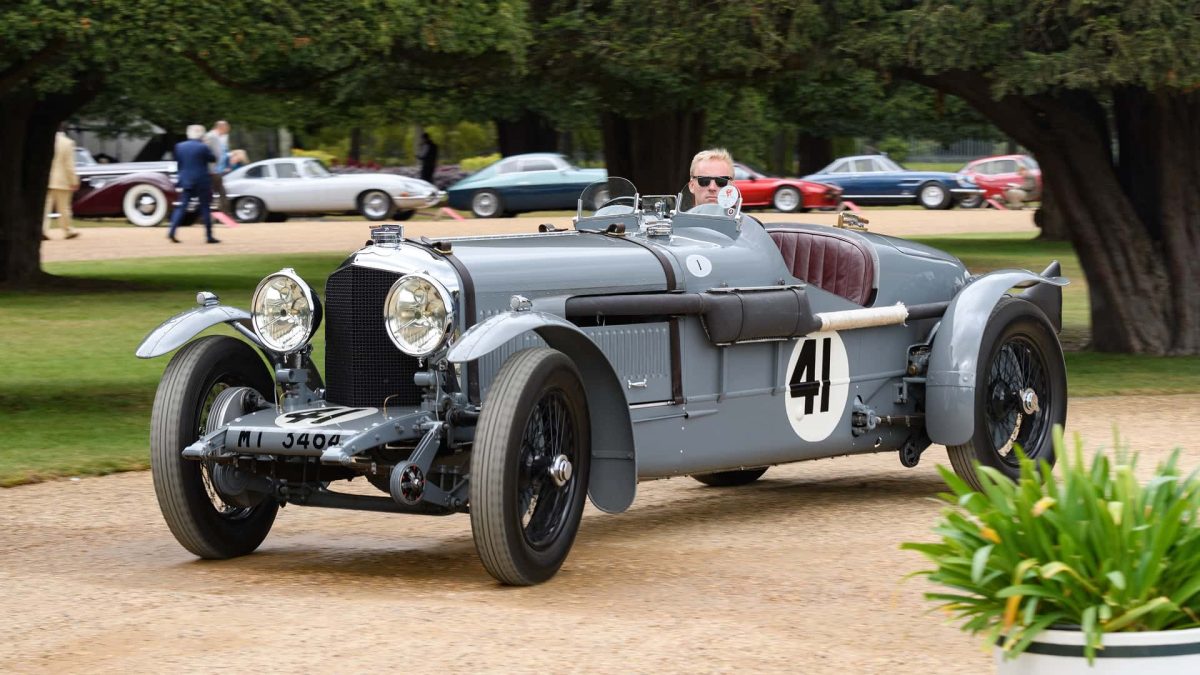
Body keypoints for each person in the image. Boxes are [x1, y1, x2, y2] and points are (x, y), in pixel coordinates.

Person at [167, 124, 218, 244]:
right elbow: (212, 159)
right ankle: (209, 236)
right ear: (201, 135)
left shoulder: (179, 146)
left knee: (182, 206)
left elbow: (179, 162)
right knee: (205, 207)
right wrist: (206, 145)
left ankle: (172, 231)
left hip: (186, 179)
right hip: (201, 180)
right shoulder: (203, 147)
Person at [43, 124, 81, 240]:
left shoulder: (44, 141)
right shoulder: (67, 143)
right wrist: (74, 180)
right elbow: (69, 165)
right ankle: (68, 230)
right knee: (64, 208)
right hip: (62, 180)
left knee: (44, 207)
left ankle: (41, 230)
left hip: (46, 179)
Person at [203, 120, 231, 213]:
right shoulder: (212, 136)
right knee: (219, 193)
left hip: (216, 170)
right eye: (226, 128)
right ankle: (224, 213)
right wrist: (213, 168)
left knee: (218, 192)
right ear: (221, 127)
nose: (227, 130)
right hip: (213, 170)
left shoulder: (217, 137)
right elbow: (213, 153)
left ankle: (222, 213)